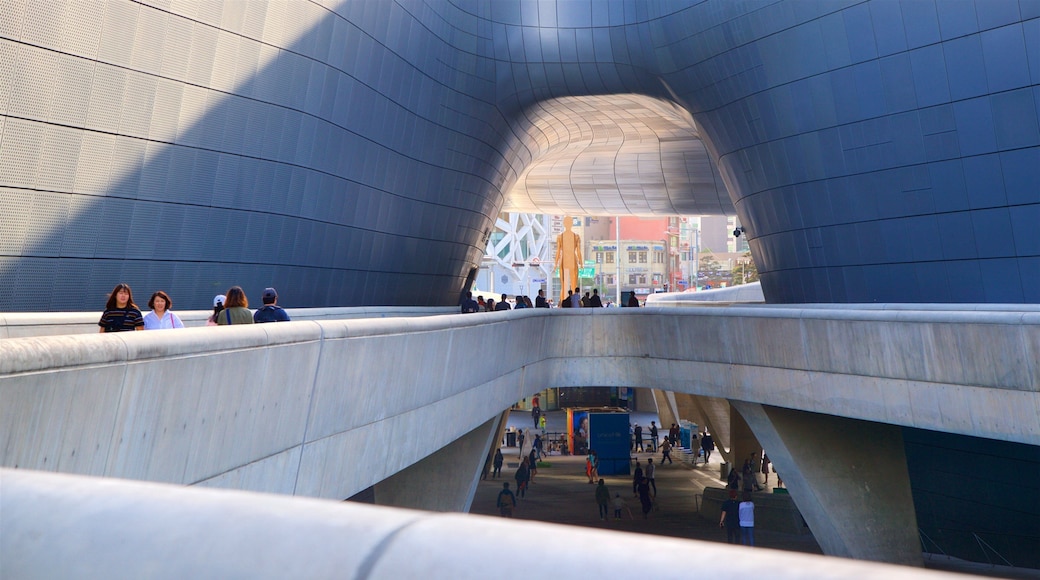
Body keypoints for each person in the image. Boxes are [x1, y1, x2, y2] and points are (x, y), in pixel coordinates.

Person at [554, 216, 582, 304]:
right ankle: (574, 303)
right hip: (571, 260)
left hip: (565, 260)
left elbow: (558, 251)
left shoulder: (561, 237)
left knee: (565, 285)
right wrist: (581, 262)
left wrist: (556, 264)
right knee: (572, 284)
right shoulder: (575, 237)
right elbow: (578, 251)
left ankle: (563, 302)